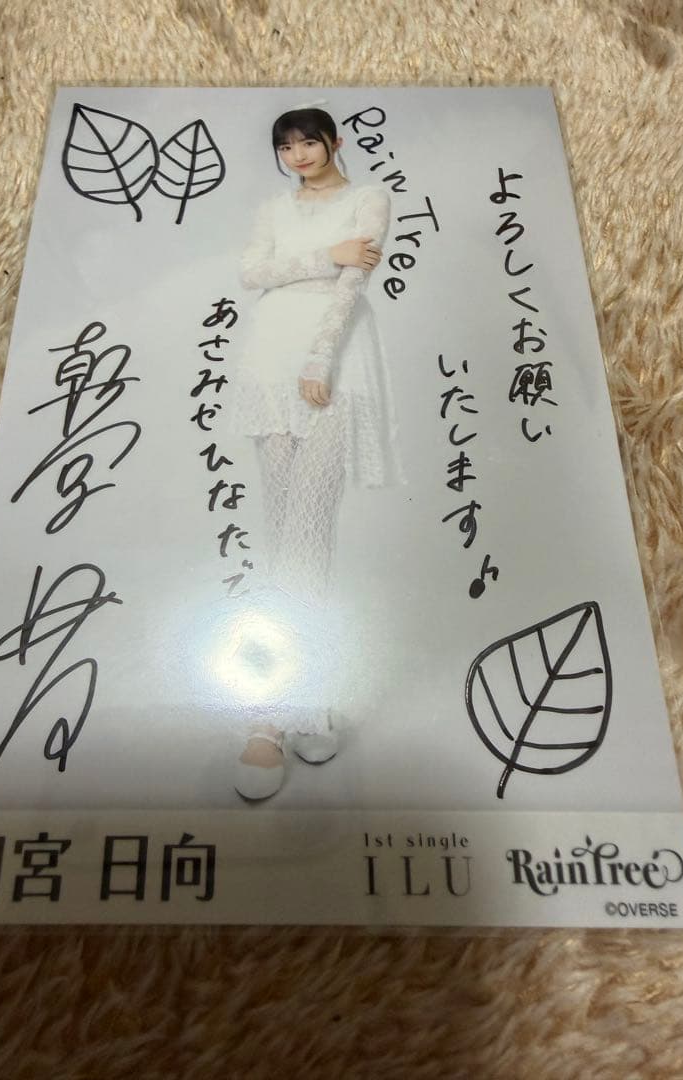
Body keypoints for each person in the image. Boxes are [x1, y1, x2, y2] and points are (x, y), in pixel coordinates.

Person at [229, 105, 401, 800]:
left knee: (307, 531)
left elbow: (351, 288)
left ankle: (270, 717)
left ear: (334, 142)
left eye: (308, 142)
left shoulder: (368, 198)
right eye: (286, 146)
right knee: (285, 536)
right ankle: (305, 700)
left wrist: (320, 361)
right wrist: (326, 256)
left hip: (330, 367)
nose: (298, 154)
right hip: (267, 367)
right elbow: (252, 274)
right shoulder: (273, 208)